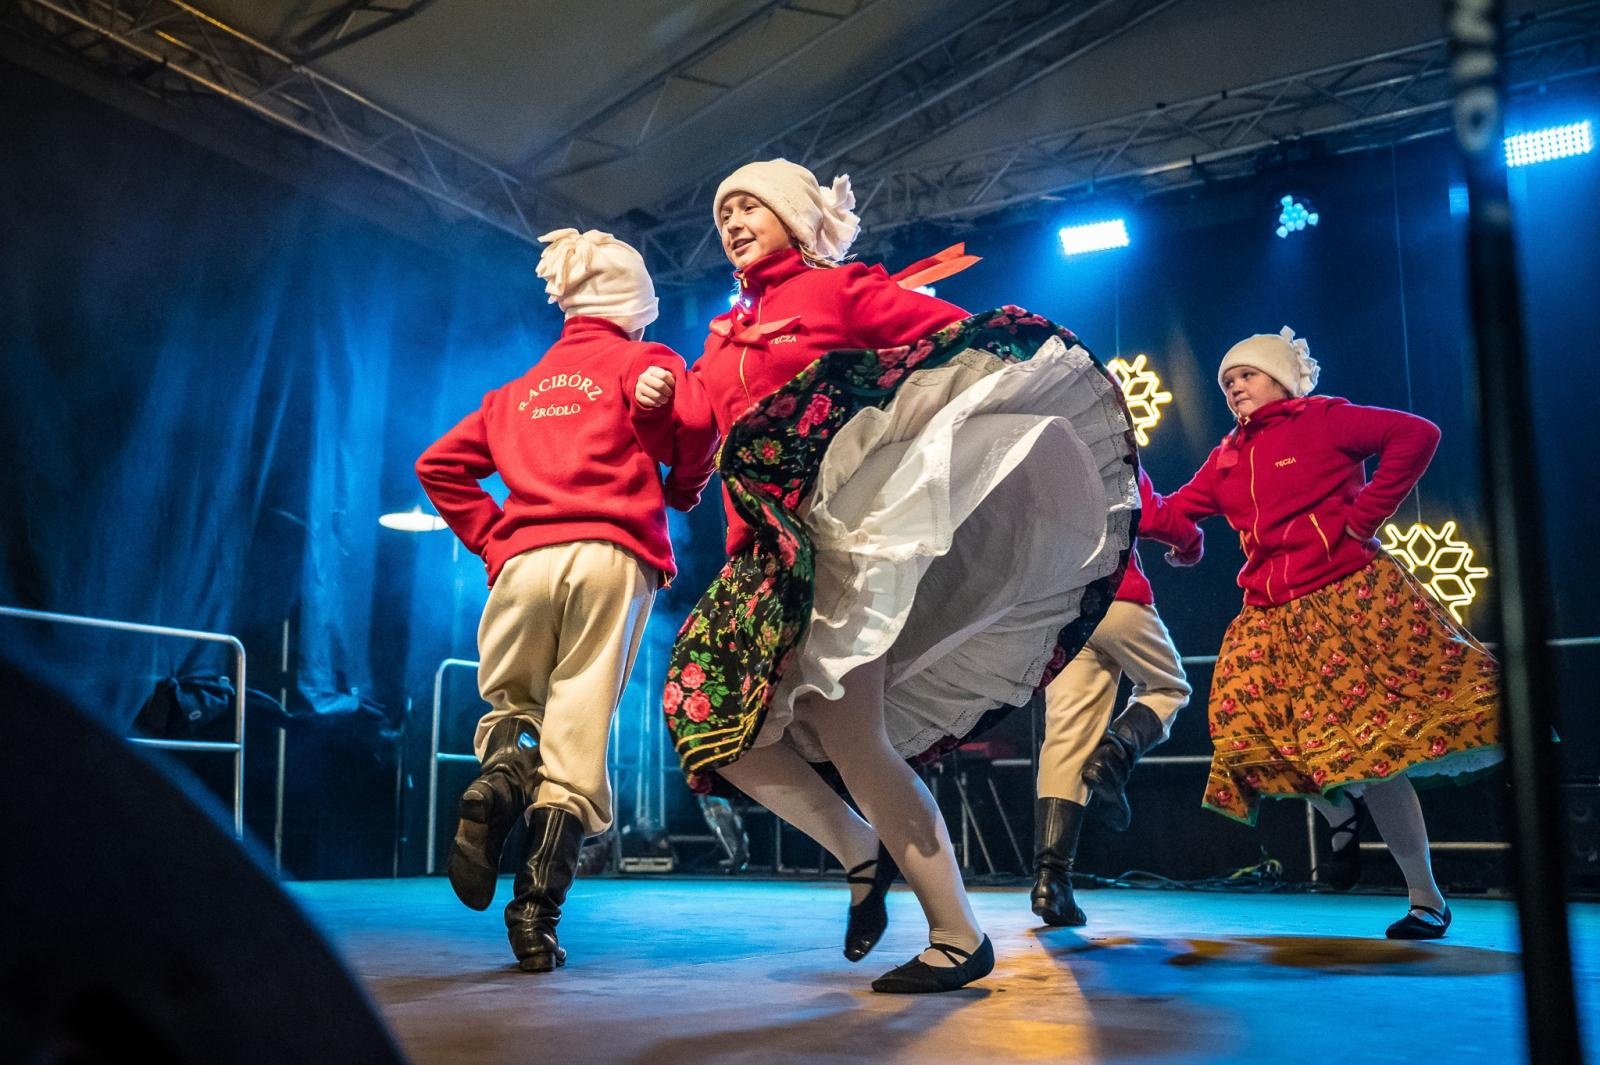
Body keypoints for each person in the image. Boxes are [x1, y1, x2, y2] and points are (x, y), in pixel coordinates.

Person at [660, 158, 1138, 991]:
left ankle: (955, 932)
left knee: (854, 739)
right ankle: (861, 848)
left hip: (838, 546)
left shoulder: (840, 292)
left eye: (749, 206)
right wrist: (654, 405)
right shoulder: (723, 335)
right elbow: (695, 442)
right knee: (710, 721)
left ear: (796, 216)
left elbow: (964, 341)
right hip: (760, 559)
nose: (732, 220)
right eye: (722, 209)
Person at [416, 228, 718, 972]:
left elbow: (437, 465)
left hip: (522, 561)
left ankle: (499, 778)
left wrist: (493, 541)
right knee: (577, 730)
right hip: (611, 556)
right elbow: (699, 435)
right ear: (636, 305)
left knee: (514, 704)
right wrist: (675, 463)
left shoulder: (513, 392)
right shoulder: (648, 361)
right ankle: (534, 913)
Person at [1141, 326, 1501, 939]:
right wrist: (1128, 482)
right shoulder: (1227, 454)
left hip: (1348, 597)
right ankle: (1337, 808)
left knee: (1378, 755)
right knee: (1244, 725)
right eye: (1227, 382)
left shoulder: (1324, 420)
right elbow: (1176, 512)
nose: (1233, 388)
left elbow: (1417, 434)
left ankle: (1425, 898)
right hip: (1270, 614)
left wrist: (1364, 518)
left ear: (1280, 377)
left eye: (1245, 375)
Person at [1031, 467, 1193, 926]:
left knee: (1064, 739)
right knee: (1168, 686)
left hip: (1061, 612)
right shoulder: (1108, 451)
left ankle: (1051, 882)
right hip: (1117, 598)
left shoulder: (1033, 462)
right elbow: (1155, 512)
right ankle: (1116, 753)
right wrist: (1190, 541)